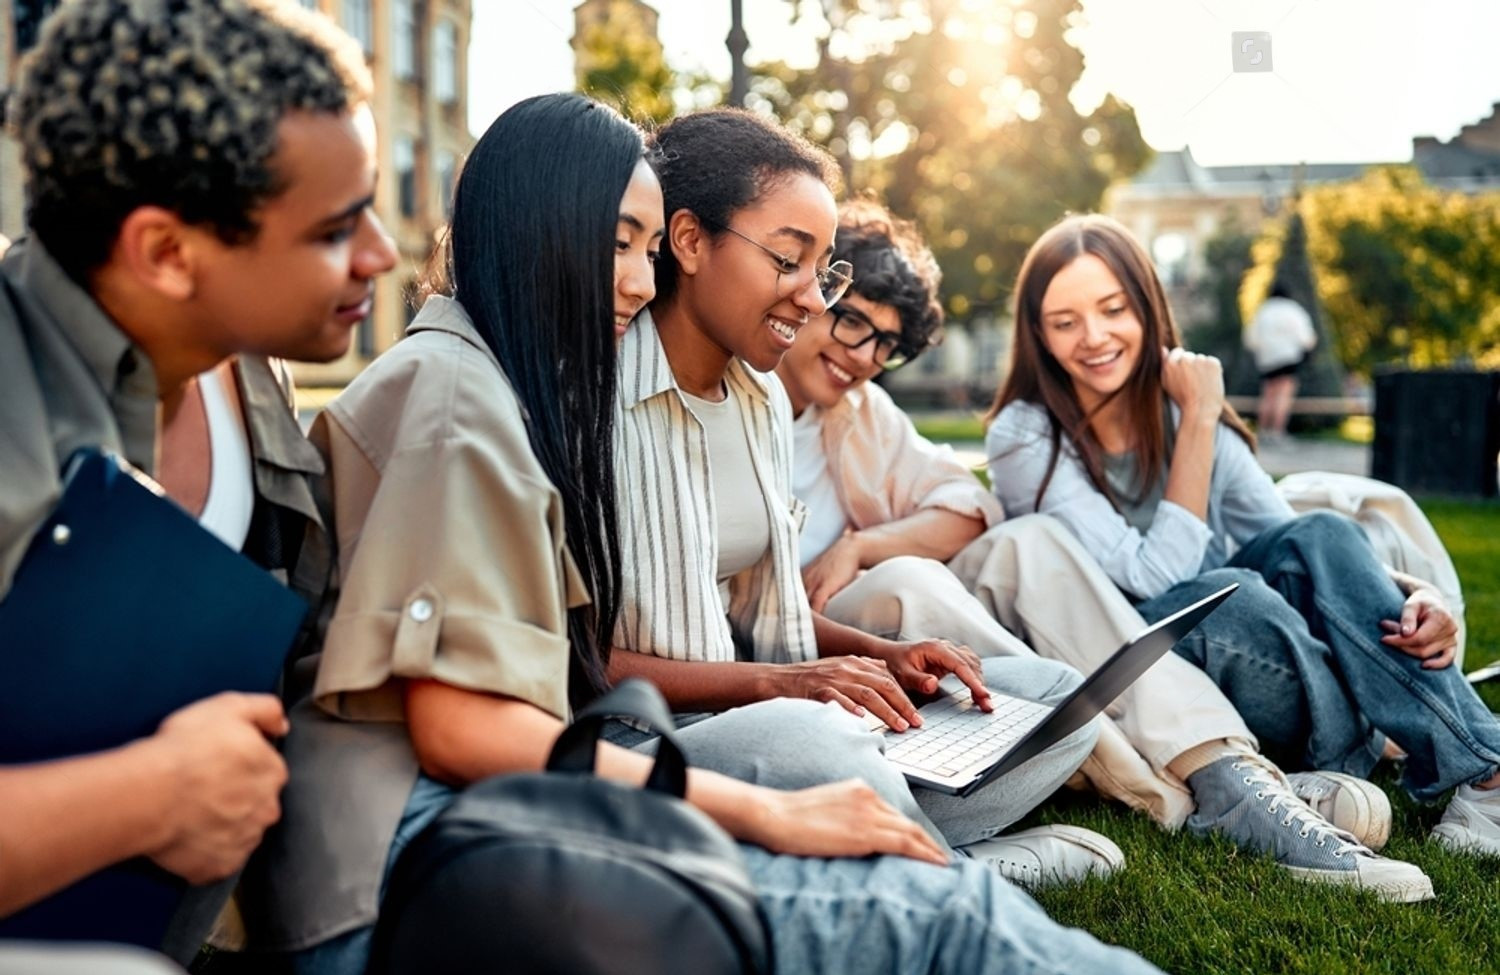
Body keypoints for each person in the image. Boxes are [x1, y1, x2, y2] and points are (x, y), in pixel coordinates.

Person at [244, 93, 1161, 975]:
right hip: (410, 872)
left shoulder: (492, 383)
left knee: (1025, 707)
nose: (644, 283)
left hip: (480, 823)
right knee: (933, 906)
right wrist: (770, 812)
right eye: (620, 247)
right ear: (536, 229)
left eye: (647, 249)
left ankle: (909, 846)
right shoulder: (463, 398)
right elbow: (470, 728)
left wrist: (860, 662)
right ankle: (934, 863)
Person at [773, 199, 1436, 900]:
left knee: (1026, 540)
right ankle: (1189, 793)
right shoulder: (731, 404)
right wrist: (879, 557)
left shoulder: (857, 412)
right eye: (851, 320)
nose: (862, 356)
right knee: (914, 578)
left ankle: (1226, 773)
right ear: (811, 290)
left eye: (887, 344)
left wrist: (860, 543)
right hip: (801, 643)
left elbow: (969, 506)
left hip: (893, 632)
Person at [608, 108, 1123, 883]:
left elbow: (764, 615)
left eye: (824, 273)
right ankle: (946, 873)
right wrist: (784, 686)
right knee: (818, 742)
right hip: (654, 742)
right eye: (790, 262)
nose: (813, 302)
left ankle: (880, 849)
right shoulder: (597, 399)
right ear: (687, 241)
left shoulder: (757, 399)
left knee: (1053, 697)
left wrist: (886, 656)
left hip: (773, 719)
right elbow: (575, 658)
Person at [0, 0, 395, 967]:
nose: (382, 254)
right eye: (337, 229)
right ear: (168, 253)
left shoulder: (244, 361)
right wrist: (147, 797)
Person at [987, 212, 1500, 884]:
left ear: (1146, 306)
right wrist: (1197, 419)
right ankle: (1373, 736)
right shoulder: (1026, 436)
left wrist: (1415, 595)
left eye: (1113, 308)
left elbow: (1299, 544)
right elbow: (1155, 575)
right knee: (1225, 595)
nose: (1094, 337)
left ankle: (1483, 774)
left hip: (1272, 656)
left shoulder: (1180, 412)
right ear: (1039, 335)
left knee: (1318, 533)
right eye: (1065, 321)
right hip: (1152, 664)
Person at [1244, 280, 1316, 440]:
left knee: (1268, 394)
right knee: (1284, 395)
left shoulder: (1263, 311)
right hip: (1288, 358)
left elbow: (1251, 339)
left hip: (1267, 359)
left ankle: (1263, 429)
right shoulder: (1294, 310)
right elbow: (1307, 338)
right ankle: (1277, 431)